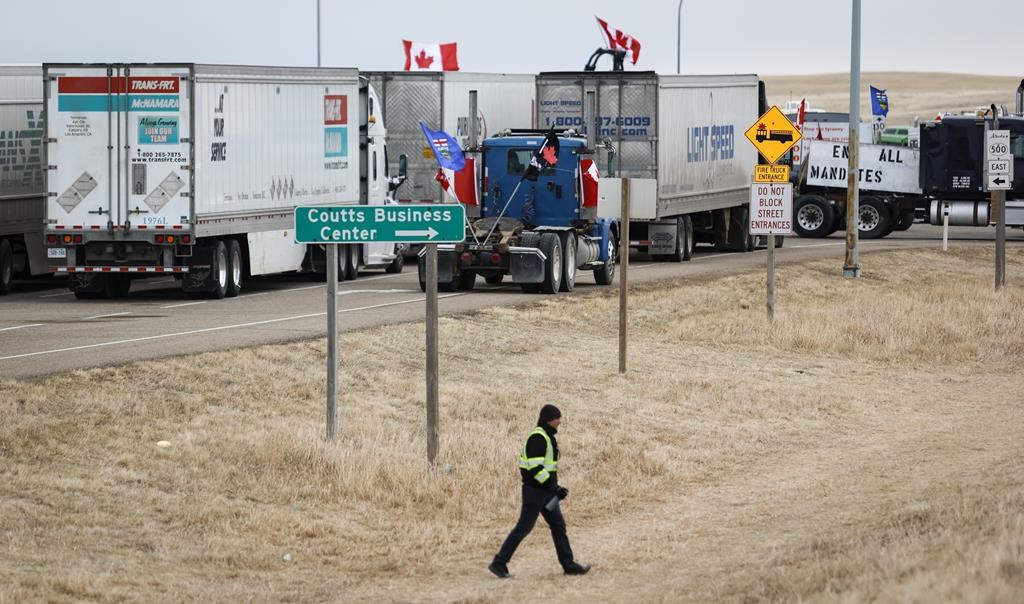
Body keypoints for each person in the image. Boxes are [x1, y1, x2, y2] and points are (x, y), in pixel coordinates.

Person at [489, 404, 590, 578]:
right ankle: (499, 563)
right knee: (524, 528)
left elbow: (545, 468)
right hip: (535, 493)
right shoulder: (538, 437)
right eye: (557, 418)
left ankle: (568, 565)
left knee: (558, 526)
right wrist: (554, 488)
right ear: (548, 420)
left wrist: (554, 489)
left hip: (546, 493)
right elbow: (535, 469)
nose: (560, 421)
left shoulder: (547, 436)